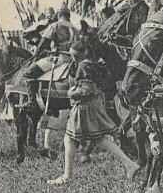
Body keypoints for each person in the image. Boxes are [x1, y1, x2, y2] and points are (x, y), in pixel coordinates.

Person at [47, 40, 140, 185]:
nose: (73, 59)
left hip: (84, 106)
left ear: (81, 53)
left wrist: (71, 92)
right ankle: (129, 164)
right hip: (93, 104)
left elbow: (86, 89)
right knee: (98, 138)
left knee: (71, 138)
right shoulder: (94, 64)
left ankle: (67, 176)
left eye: (74, 55)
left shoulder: (83, 66)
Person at [21, 4, 78, 106]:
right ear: (68, 15)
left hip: (60, 57)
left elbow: (44, 43)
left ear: (59, 14)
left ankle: (31, 102)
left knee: (28, 73)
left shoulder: (55, 25)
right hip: (74, 59)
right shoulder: (75, 28)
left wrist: (36, 53)